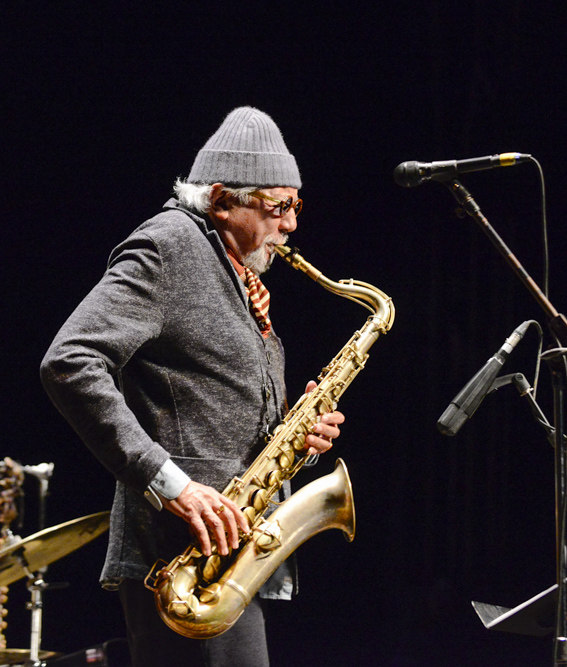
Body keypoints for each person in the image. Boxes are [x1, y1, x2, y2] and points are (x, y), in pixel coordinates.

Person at [39, 107, 345, 667]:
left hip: (228, 554)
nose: (292, 225)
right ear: (224, 199)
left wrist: (293, 434)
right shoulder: (171, 246)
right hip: (181, 557)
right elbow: (70, 361)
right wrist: (169, 483)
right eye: (278, 207)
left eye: (295, 206)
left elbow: (204, 397)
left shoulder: (238, 276)